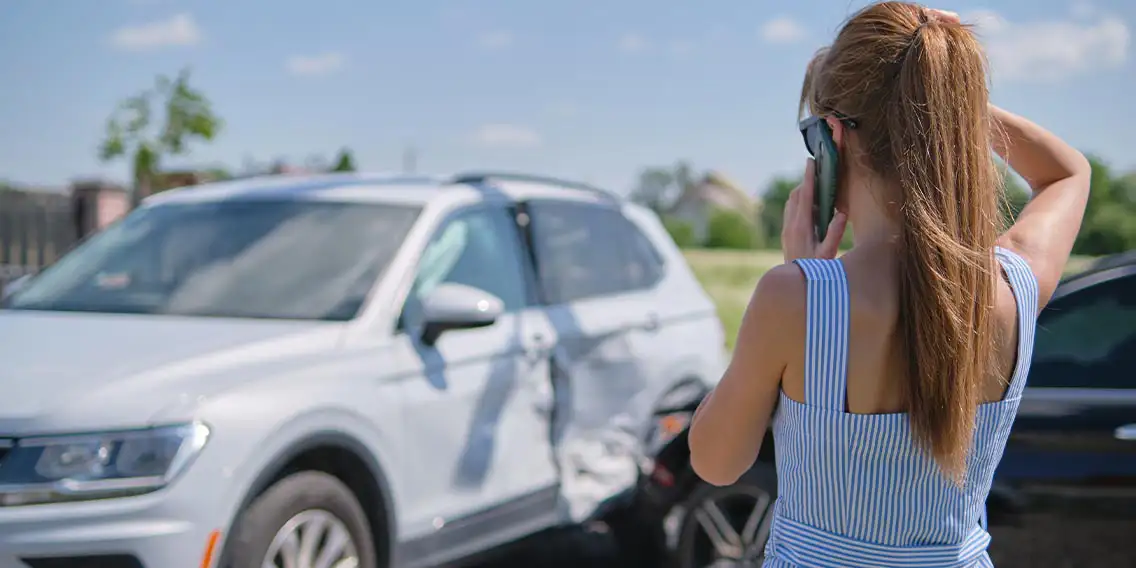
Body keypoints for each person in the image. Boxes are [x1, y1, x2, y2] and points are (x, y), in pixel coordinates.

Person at [687, 2, 1092, 567]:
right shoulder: (1015, 285)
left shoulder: (795, 299)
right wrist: (948, 99)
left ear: (831, 138)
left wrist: (799, 272)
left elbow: (716, 462)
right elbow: (1068, 172)